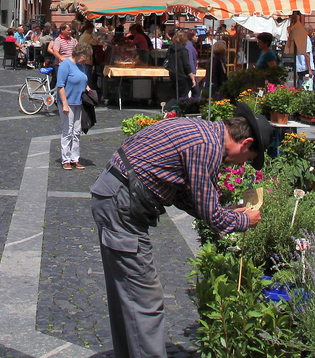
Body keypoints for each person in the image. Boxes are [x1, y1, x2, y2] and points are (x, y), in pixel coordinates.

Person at [89, 103, 270, 358]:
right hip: (121, 204)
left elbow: (188, 197)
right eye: (248, 160)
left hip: (115, 197)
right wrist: (243, 221)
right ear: (245, 143)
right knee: (144, 300)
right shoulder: (205, 147)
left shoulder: (205, 134)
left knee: (126, 295)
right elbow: (211, 216)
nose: (239, 166)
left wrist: (227, 212)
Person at [57, 42, 93, 170]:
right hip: (68, 103)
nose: (86, 60)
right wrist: (65, 104)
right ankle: (65, 159)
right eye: (85, 57)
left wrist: (88, 89)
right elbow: (60, 86)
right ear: (79, 54)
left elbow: (82, 79)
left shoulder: (81, 65)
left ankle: (75, 158)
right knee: (68, 131)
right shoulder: (65, 65)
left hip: (79, 102)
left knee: (76, 131)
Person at [166, 30, 195, 99]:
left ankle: (171, 109)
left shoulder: (171, 48)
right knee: (183, 96)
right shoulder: (183, 50)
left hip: (172, 73)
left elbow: (167, 59)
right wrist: (191, 76)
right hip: (181, 75)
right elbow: (186, 65)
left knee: (176, 95)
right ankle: (178, 109)